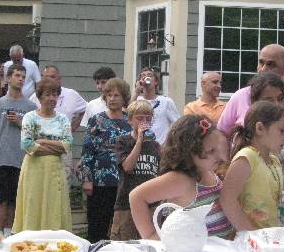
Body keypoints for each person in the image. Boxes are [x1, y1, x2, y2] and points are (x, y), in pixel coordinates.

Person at [130, 114, 234, 240]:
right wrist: (151, 236)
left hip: (220, 248)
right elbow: (136, 196)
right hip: (195, 250)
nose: (218, 155)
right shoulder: (181, 180)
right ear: (189, 152)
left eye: (217, 148)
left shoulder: (207, 170)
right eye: (211, 151)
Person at [0, 64, 36, 236]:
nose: (21, 79)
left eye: (23, 76)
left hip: (22, 160)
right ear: (9, 78)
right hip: (0, 159)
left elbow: (36, 134)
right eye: (17, 75)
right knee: (0, 200)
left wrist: (19, 122)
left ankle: (10, 234)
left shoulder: (31, 107)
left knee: (15, 200)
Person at [12, 79, 73, 232]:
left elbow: (67, 145)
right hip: (34, 169)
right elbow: (27, 145)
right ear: (39, 97)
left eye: (55, 95)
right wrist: (56, 147)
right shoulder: (30, 117)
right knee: (33, 202)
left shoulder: (63, 119)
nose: (52, 98)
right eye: (47, 94)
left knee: (54, 204)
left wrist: (42, 141)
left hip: (55, 170)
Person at [220, 101, 284, 231]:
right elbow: (227, 200)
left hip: (271, 236)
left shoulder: (274, 161)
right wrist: (252, 235)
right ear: (260, 128)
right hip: (252, 239)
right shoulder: (246, 158)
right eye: (282, 130)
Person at [80, 78, 132, 242]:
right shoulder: (96, 120)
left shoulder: (130, 121)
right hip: (100, 181)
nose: (112, 99)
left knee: (121, 227)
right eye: (109, 95)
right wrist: (87, 179)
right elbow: (87, 151)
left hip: (124, 182)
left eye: (116, 95)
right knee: (97, 227)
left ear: (124, 98)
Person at [110, 100, 161, 241]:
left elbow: (160, 174)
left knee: (150, 243)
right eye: (140, 118)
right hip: (126, 203)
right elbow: (127, 167)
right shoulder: (123, 141)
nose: (144, 122)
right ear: (130, 120)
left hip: (150, 204)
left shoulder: (155, 146)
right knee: (124, 242)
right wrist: (139, 141)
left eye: (148, 119)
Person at [131, 67, 180, 144]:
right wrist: (136, 92)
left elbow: (177, 124)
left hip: (160, 146)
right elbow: (129, 114)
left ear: (156, 82)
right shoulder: (137, 99)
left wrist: (167, 142)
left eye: (149, 75)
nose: (146, 78)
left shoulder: (166, 101)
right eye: (143, 76)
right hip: (140, 145)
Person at [32, 65, 88, 131]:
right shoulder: (36, 96)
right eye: (46, 77)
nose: (49, 80)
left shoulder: (71, 95)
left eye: (52, 77)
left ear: (59, 78)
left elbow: (88, 108)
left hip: (63, 136)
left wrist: (73, 127)